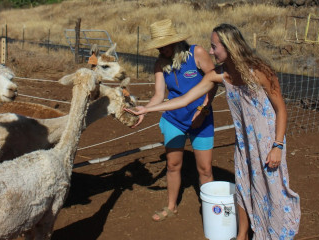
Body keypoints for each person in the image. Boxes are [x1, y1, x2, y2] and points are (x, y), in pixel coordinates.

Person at [126, 23, 301, 239]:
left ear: (229, 46)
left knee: (272, 190)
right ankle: (242, 235)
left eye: (214, 46)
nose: (210, 51)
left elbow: (280, 108)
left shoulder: (260, 71)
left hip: (267, 141)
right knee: (245, 188)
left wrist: (277, 144)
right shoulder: (219, 75)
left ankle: (278, 233)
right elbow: (184, 99)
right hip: (244, 141)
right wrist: (148, 108)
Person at [133, 19, 218, 222]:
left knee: (205, 169)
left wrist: (204, 109)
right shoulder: (160, 64)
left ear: (175, 41)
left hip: (201, 118)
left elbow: (213, 81)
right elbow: (159, 95)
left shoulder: (197, 54)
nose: (162, 50)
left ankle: (212, 209)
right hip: (174, 120)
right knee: (172, 164)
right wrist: (146, 109)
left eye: (165, 45)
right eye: (159, 47)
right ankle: (172, 206)